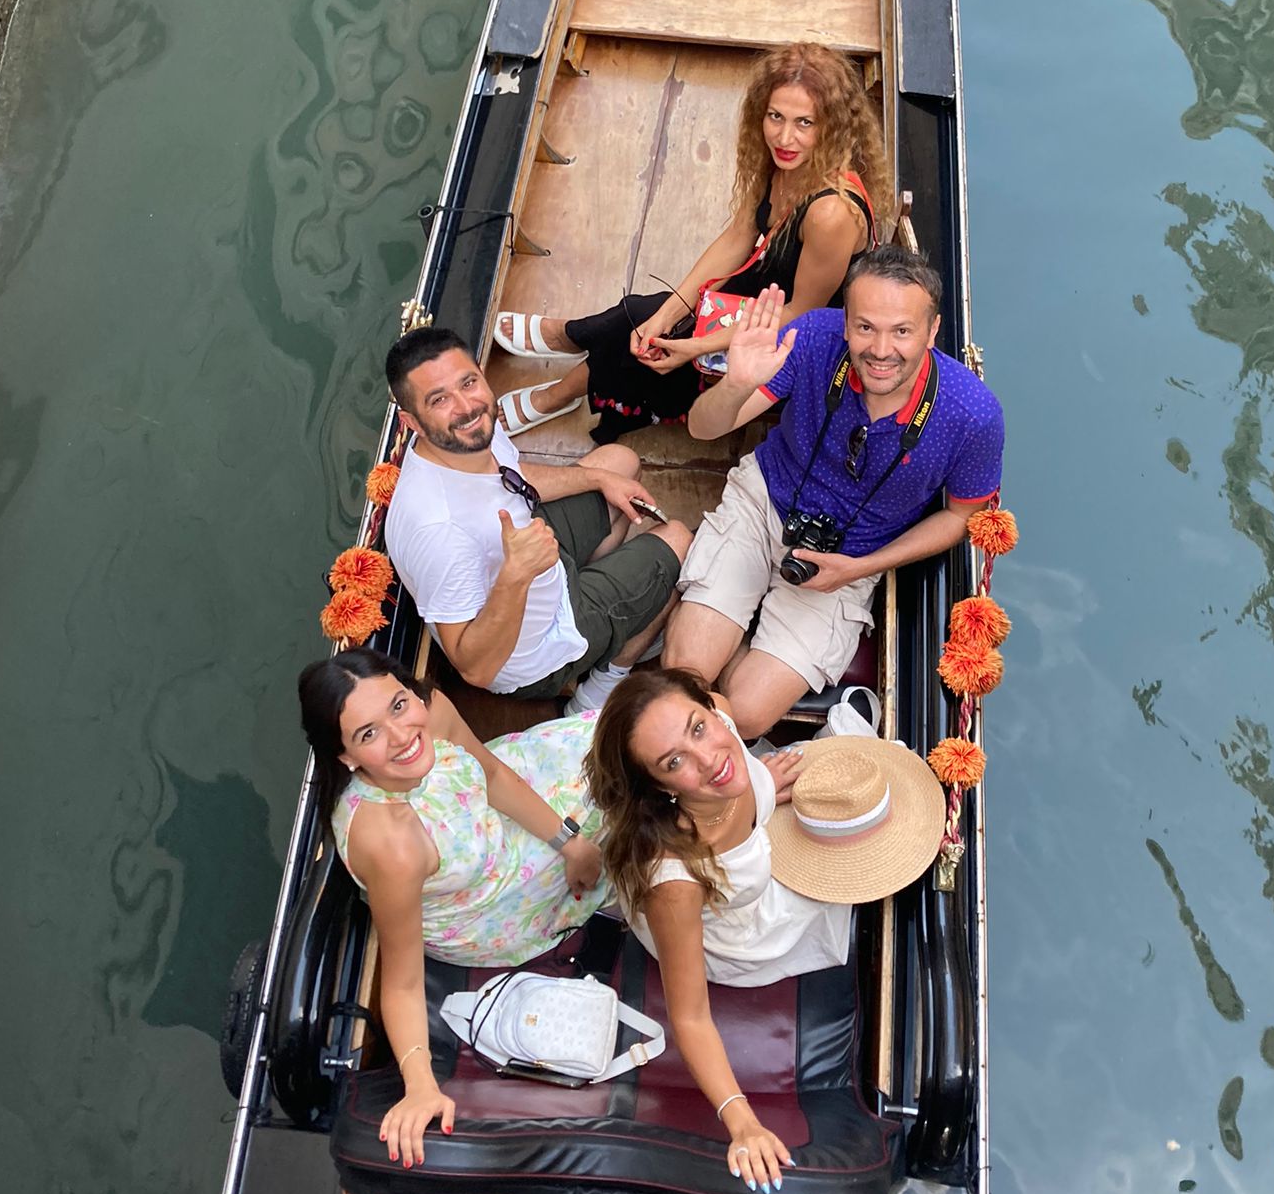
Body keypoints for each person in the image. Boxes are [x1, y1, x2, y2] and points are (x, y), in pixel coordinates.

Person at [586, 670, 946, 1194]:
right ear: (660, 787)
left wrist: (758, 786)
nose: (710, 758)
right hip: (735, 929)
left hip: (758, 841)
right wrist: (742, 1121)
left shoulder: (721, 720)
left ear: (709, 710)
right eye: (674, 762)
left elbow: (721, 729)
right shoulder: (674, 882)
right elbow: (690, 1017)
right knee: (844, 858)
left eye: (699, 727)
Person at [666, 246, 1005, 739]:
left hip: (850, 560)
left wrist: (860, 568)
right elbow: (702, 429)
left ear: (932, 332)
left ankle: (708, 614)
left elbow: (960, 517)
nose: (881, 350)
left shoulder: (973, 415)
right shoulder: (812, 336)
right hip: (765, 503)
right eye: (865, 327)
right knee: (683, 676)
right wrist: (735, 385)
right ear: (845, 322)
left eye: (902, 331)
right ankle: (717, 624)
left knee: (748, 715)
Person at [490, 43, 892, 439]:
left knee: (641, 332)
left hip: (795, 331)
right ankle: (572, 342)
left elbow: (801, 314)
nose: (785, 137)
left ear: (831, 126)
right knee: (646, 320)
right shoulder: (779, 160)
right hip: (766, 284)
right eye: (775, 116)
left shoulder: (831, 213)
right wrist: (669, 313)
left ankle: (561, 381)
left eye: (805, 123)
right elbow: (738, 237)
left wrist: (698, 345)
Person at [298, 649, 607, 1163]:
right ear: (346, 757)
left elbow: (493, 775)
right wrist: (420, 1085)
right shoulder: (391, 844)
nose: (401, 735)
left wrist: (569, 842)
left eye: (398, 706)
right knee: (634, 801)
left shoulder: (430, 709)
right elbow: (401, 981)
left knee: (627, 733)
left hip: (496, 809)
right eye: (369, 734)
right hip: (484, 900)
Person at [384, 325, 691, 712]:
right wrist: (516, 574)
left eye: (468, 382)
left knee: (619, 464)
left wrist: (598, 479)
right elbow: (474, 668)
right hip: (538, 650)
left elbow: (512, 475)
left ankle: (602, 598)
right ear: (412, 421)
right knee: (679, 540)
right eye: (439, 399)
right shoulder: (439, 531)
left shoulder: (469, 434)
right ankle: (605, 680)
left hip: (539, 560)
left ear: (481, 374)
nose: (465, 407)